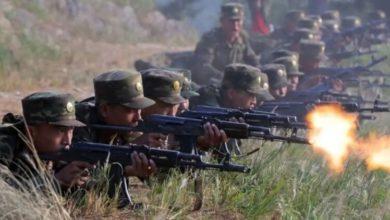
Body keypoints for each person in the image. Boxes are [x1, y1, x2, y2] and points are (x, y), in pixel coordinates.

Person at [0, 92, 90, 190]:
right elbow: (6, 195)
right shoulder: (5, 145)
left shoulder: (55, 152)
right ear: (32, 131)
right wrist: (55, 181)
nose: (68, 141)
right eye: (61, 130)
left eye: (71, 130)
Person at [137, 68, 227, 150]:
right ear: (144, 103)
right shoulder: (130, 131)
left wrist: (202, 144)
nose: (172, 115)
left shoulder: (171, 130)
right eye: (166, 106)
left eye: (175, 106)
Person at [191, 2, 259, 85]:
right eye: (231, 21)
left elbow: (253, 61)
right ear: (222, 22)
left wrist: (257, 74)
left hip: (235, 84)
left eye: (238, 21)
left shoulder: (242, 38)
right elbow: (203, 67)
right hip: (212, 84)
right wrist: (226, 77)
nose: (235, 25)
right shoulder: (210, 40)